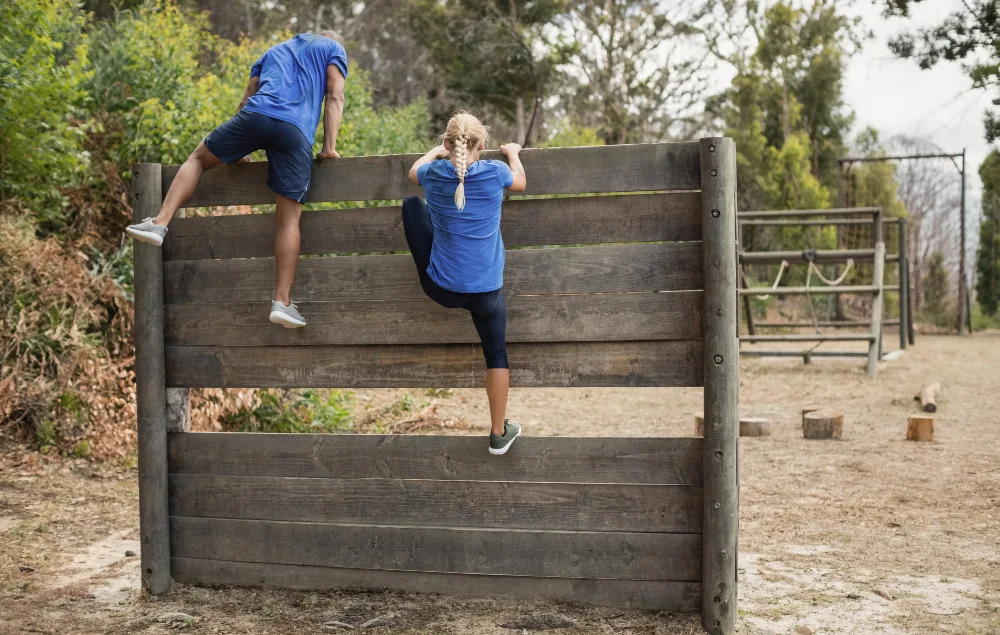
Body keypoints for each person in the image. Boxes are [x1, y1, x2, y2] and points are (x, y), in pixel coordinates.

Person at [125, 30, 349, 329]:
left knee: (198, 159)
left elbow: (248, 97)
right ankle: (282, 302)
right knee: (288, 220)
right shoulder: (334, 48)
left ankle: (160, 222)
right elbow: (335, 95)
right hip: (295, 132)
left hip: (255, 116)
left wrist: (238, 150)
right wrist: (329, 147)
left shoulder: (273, 50)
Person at [404, 112, 527, 456]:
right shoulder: (496, 172)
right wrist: (513, 153)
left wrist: (434, 153)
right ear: (481, 146)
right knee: (496, 355)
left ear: (447, 143)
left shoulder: (433, 173)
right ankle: (498, 434)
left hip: (441, 288)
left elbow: (413, 173)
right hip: (486, 292)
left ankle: (444, 260)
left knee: (413, 205)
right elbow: (520, 182)